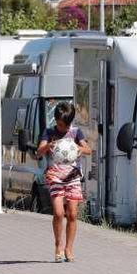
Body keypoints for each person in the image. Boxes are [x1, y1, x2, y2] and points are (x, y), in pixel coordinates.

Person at [35, 101, 92, 263]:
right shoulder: (49, 132)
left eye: (66, 125)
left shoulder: (76, 132)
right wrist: (48, 146)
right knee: (59, 213)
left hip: (73, 176)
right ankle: (58, 244)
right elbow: (39, 151)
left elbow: (88, 149)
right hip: (55, 177)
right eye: (60, 124)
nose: (63, 128)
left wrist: (80, 149)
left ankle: (69, 248)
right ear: (55, 120)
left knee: (72, 214)